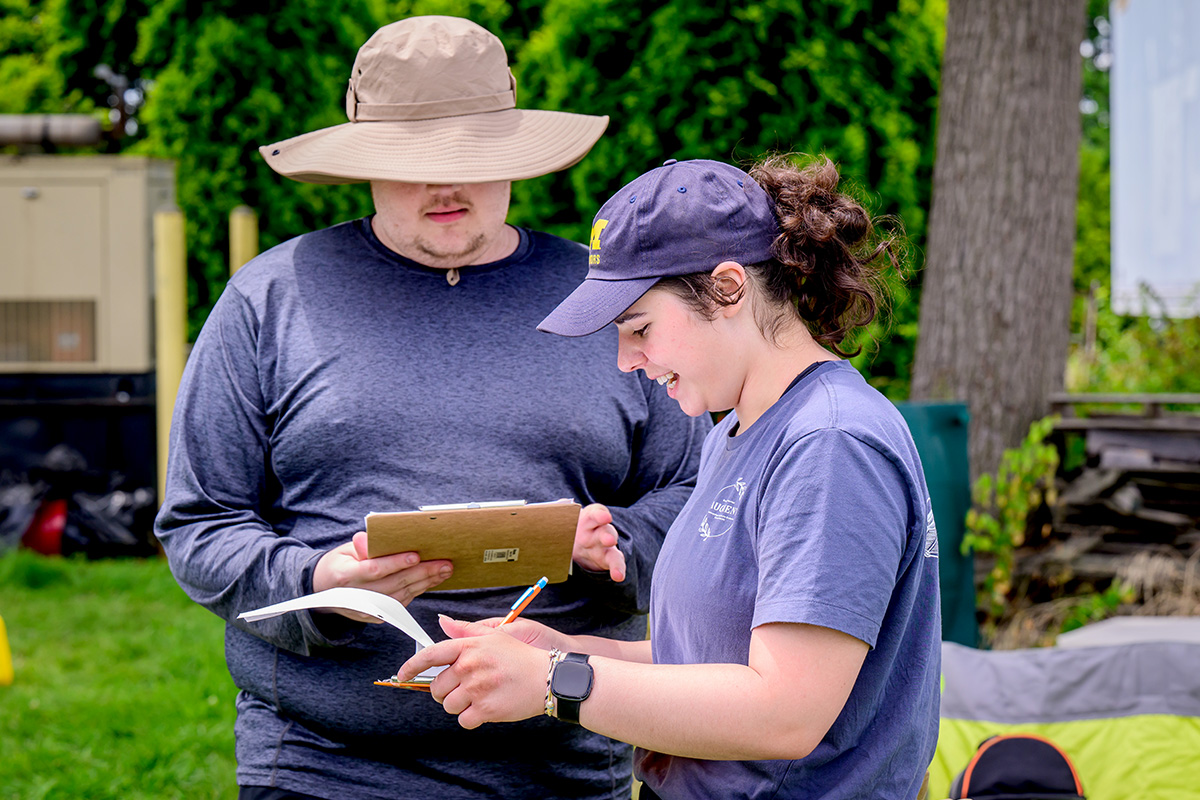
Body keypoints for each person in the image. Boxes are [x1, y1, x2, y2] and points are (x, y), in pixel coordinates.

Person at [154, 16, 710, 800]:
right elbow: (199, 523)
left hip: (565, 761)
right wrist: (325, 580)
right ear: (364, 164)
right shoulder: (269, 299)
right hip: (320, 763)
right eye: (411, 162)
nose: (443, 185)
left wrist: (620, 541)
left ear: (516, 153)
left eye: (473, 158)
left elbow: (699, 497)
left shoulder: (611, 301)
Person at [396, 157, 943, 799]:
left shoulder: (829, 443)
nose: (628, 361)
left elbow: (784, 712)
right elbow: (708, 662)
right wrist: (564, 650)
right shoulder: (734, 436)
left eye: (640, 329)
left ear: (729, 288)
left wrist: (554, 682)